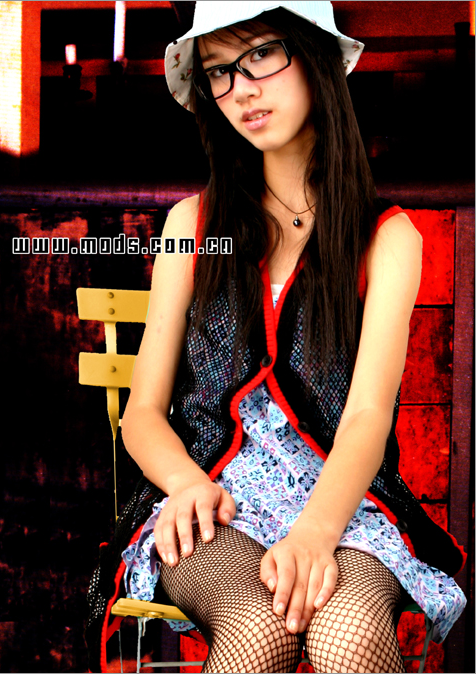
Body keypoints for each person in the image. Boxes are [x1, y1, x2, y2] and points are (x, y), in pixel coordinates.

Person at [85, 2, 466, 672]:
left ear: (315, 56)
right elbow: (142, 412)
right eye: (219, 71)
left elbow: (368, 416)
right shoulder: (193, 225)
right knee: (257, 627)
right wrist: (186, 484)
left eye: (261, 53)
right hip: (214, 496)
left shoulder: (387, 238)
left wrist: (316, 532)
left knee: (349, 633)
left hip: (345, 502)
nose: (241, 89)